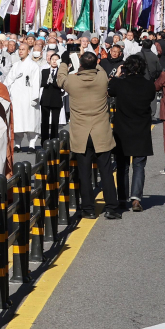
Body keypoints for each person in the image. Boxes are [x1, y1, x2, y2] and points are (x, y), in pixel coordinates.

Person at [57, 52, 121, 219]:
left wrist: (65, 62)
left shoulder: (72, 81)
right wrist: (90, 60)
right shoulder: (102, 79)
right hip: (101, 131)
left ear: (81, 65)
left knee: (84, 174)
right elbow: (98, 67)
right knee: (106, 171)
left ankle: (88, 209)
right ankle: (112, 207)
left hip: (81, 133)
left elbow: (60, 78)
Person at [109, 55, 156, 211]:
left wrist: (117, 74)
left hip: (122, 129)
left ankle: (122, 198)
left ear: (126, 68)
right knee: (139, 165)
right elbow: (150, 98)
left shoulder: (120, 84)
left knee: (122, 166)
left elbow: (110, 89)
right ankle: (136, 198)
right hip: (141, 129)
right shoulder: (149, 85)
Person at [4, 45, 41, 151]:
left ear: (28, 51)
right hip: (16, 97)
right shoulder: (15, 65)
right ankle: (17, 143)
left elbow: (36, 82)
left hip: (29, 98)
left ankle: (32, 144)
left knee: (31, 120)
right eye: (19, 49)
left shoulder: (34, 66)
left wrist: (35, 97)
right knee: (18, 121)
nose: (20, 51)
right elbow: (8, 80)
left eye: (23, 49)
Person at [39, 52, 64, 143]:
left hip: (56, 99)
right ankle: (44, 141)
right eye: (53, 59)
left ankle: (54, 140)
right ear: (49, 60)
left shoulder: (61, 72)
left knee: (55, 122)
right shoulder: (44, 71)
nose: (54, 61)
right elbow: (41, 83)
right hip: (45, 99)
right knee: (44, 121)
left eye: (56, 60)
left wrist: (53, 82)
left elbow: (62, 84)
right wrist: (47, 82)